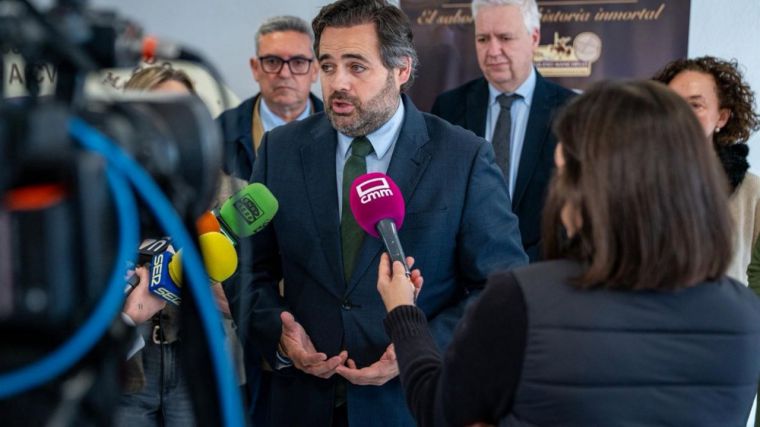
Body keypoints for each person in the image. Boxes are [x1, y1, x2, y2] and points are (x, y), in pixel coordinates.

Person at [379, 80, 760, 427]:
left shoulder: (522, 299)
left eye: (562, 173)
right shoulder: (745, 313)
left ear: (590, 188)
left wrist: (403, 314)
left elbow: (438, 408)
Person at [235, 0, 527, 425]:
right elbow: (247, 267)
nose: (338, 83)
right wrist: (277, 335)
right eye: (328, 65)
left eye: (356, 66)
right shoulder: (281, 150)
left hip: (409, 404)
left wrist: (419, 345)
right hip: (301, 404)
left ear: (401, 70)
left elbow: (502, 290)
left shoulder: (463, 157)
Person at [115, 65, 240, 427]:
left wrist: (224, 293)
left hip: (195, 359)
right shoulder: (104, 186)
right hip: (126, 363)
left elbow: (257, 294)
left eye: (183, 111)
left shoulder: (229, 192)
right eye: (159, 111)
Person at [430, 0, 575, 261]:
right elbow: (439, 201)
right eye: (483, 39)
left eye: (505, 38)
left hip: (544, 269)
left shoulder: (572, 111)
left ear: (534, 38)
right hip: (466, 274)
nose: (493, 51)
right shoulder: (448, 108)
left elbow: (577, 205)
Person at [653, 56, 760, 286]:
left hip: (726, 309)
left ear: (721, 117)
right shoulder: (634, 181)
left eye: (695, 105)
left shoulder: (752, 192)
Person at [217, 15, 323, 181]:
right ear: (255, 68)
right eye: (272, 61)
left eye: (298, 62)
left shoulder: (341, 130)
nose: (285, 74)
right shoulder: (219, 134)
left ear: (315, 70)